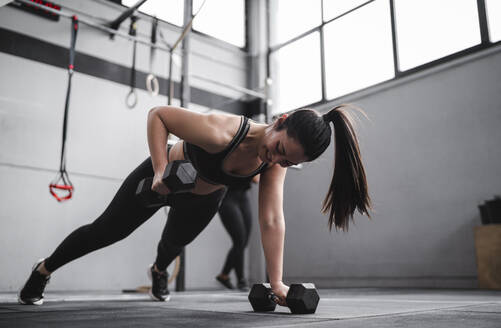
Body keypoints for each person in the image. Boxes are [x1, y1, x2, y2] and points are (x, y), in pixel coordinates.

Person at [18, 104, 371, 306]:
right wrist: (158, 170)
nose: (276, 159)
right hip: (164, 180)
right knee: (107, 231)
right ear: (279, 122)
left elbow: (272, 219)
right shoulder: (222, 131)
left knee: (175, 243)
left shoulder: (273, 164)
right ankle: (44, 269)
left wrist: (276, 283)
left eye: (287, 162)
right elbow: (159, 116)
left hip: (203, 199)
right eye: (279, 149)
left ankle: (158, 272)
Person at [215, 174, 259, 292]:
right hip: (227, 198)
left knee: (243, 242)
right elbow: (255, 178)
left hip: (243, 197)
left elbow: (257, 180)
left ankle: (226, 276)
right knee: (239, 240)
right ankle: (239, 280)